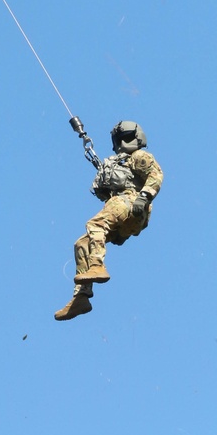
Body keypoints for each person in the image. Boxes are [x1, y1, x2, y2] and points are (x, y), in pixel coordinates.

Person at [55, 120, 163, 321]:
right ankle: (81, 297)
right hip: (122, 210)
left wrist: (144, 196)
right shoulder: (115, 163)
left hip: (131, 201)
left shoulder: (139, 156)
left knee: (95, 224)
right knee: (82, 243)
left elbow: (155, 175)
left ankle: (97, 265)